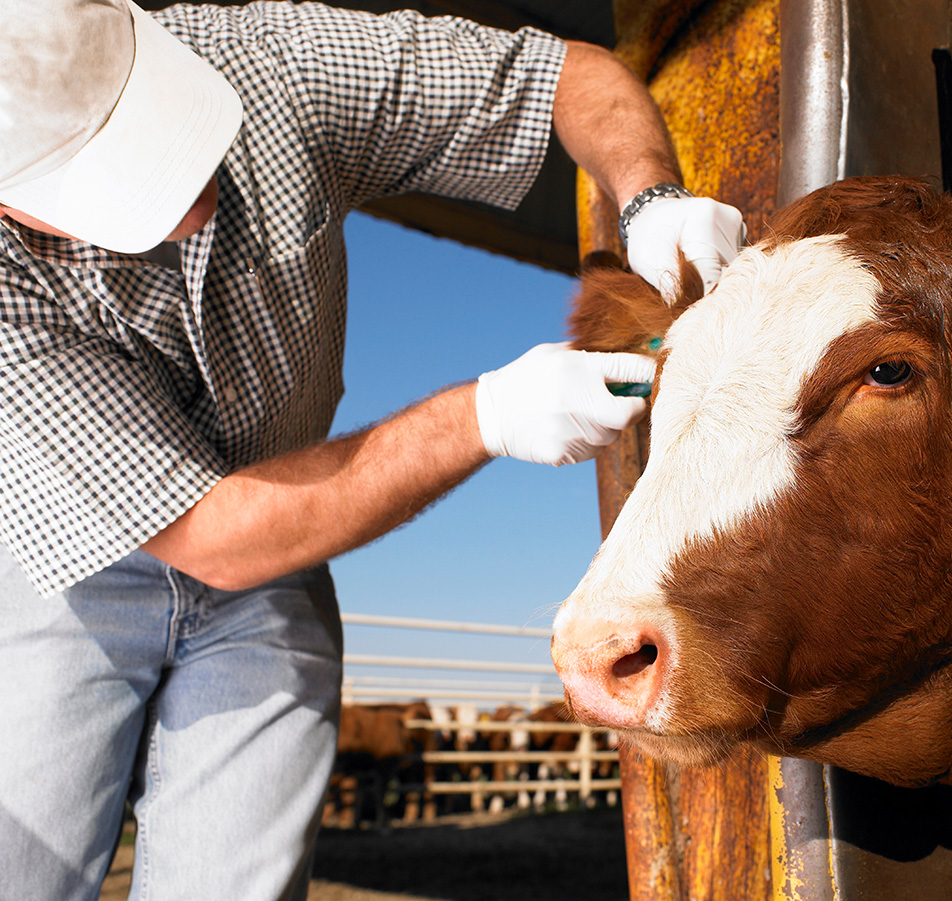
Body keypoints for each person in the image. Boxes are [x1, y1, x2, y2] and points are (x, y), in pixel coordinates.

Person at [0, 1, 745, 898]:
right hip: (78, 569)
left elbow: (568, 77)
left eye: (159, 126)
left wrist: (652, 196)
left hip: (279, 563)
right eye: (124, 180)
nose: (186, 189)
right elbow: (215, 535)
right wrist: (486, 415)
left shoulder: (279, 64)